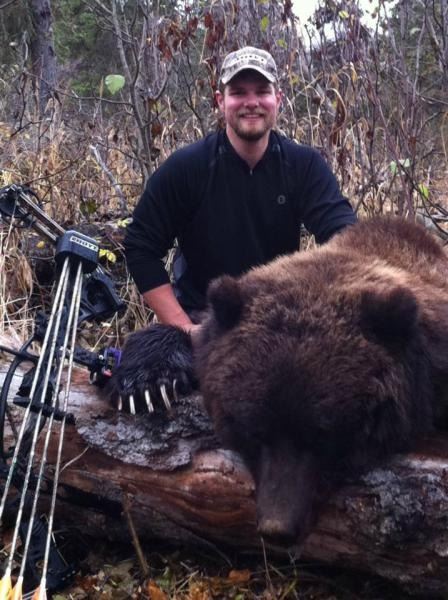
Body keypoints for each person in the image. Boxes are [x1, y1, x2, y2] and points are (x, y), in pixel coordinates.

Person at [124, 46, 357, 334]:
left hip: (279, 322)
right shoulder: (188, 167)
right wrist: (185, 329)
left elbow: (346, 237)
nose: (251, 102)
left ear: (278, 99)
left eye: (262, 91)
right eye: (238, 93)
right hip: (204, 322)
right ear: (220, 101)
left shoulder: (303, 165)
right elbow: (140, 245)